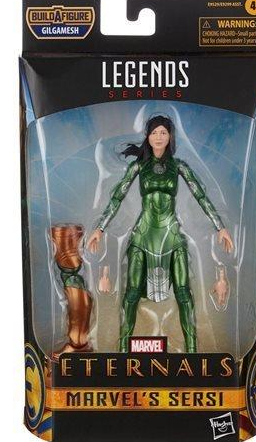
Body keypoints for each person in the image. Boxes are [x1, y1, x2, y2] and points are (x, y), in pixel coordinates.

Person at [87, 115, 233, 352]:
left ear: (170, 136)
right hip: (143, 235)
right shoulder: (138, 166)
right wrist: (100, 228)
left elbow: (200, 195)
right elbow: (117, 197)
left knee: (184, 294)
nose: (158, 137)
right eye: (154, 132)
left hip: (172, 234)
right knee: (131, 294)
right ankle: (123, 351)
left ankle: (192, 352)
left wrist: (220, 226)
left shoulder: (179, 166)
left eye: (163, 132)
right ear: (147, 136)